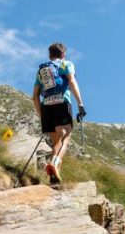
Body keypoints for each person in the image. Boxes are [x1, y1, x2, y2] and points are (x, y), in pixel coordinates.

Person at [32, 42, 86, 184]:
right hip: (62, 103)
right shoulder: (65, 64)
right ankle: (54, 164)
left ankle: (54, 178)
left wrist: (42, 116)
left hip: (46, 107)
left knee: (57, 143)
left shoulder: (41, 71)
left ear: (50, 55)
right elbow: (72, 82)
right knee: (65, 139)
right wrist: (80, 104)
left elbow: (35, 96)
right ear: (63, 54)